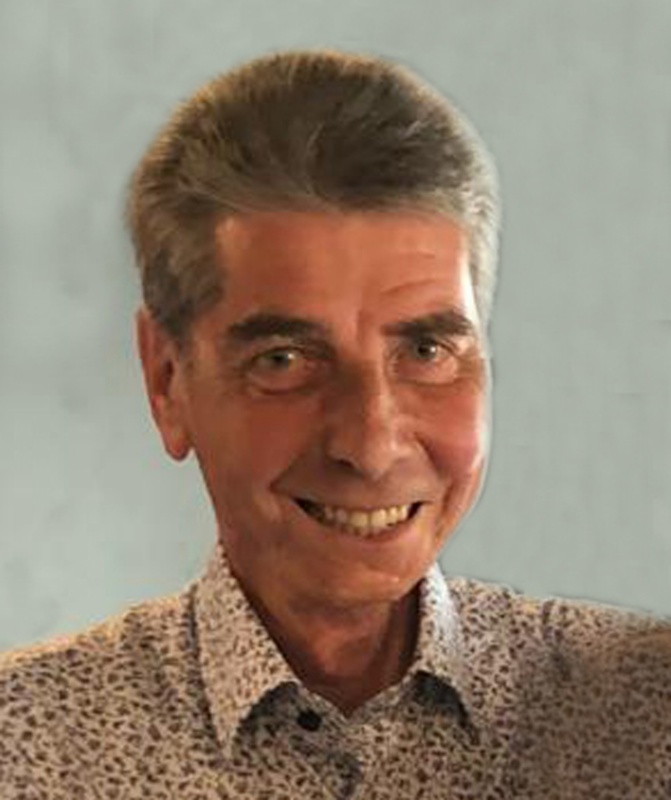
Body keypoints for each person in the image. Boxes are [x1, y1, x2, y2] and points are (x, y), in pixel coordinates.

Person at [1, 49, 669, 799]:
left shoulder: (648, 714)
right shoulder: (24, 748)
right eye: (284, 360)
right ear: (165, 380)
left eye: (425, 350)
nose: (371, 445)